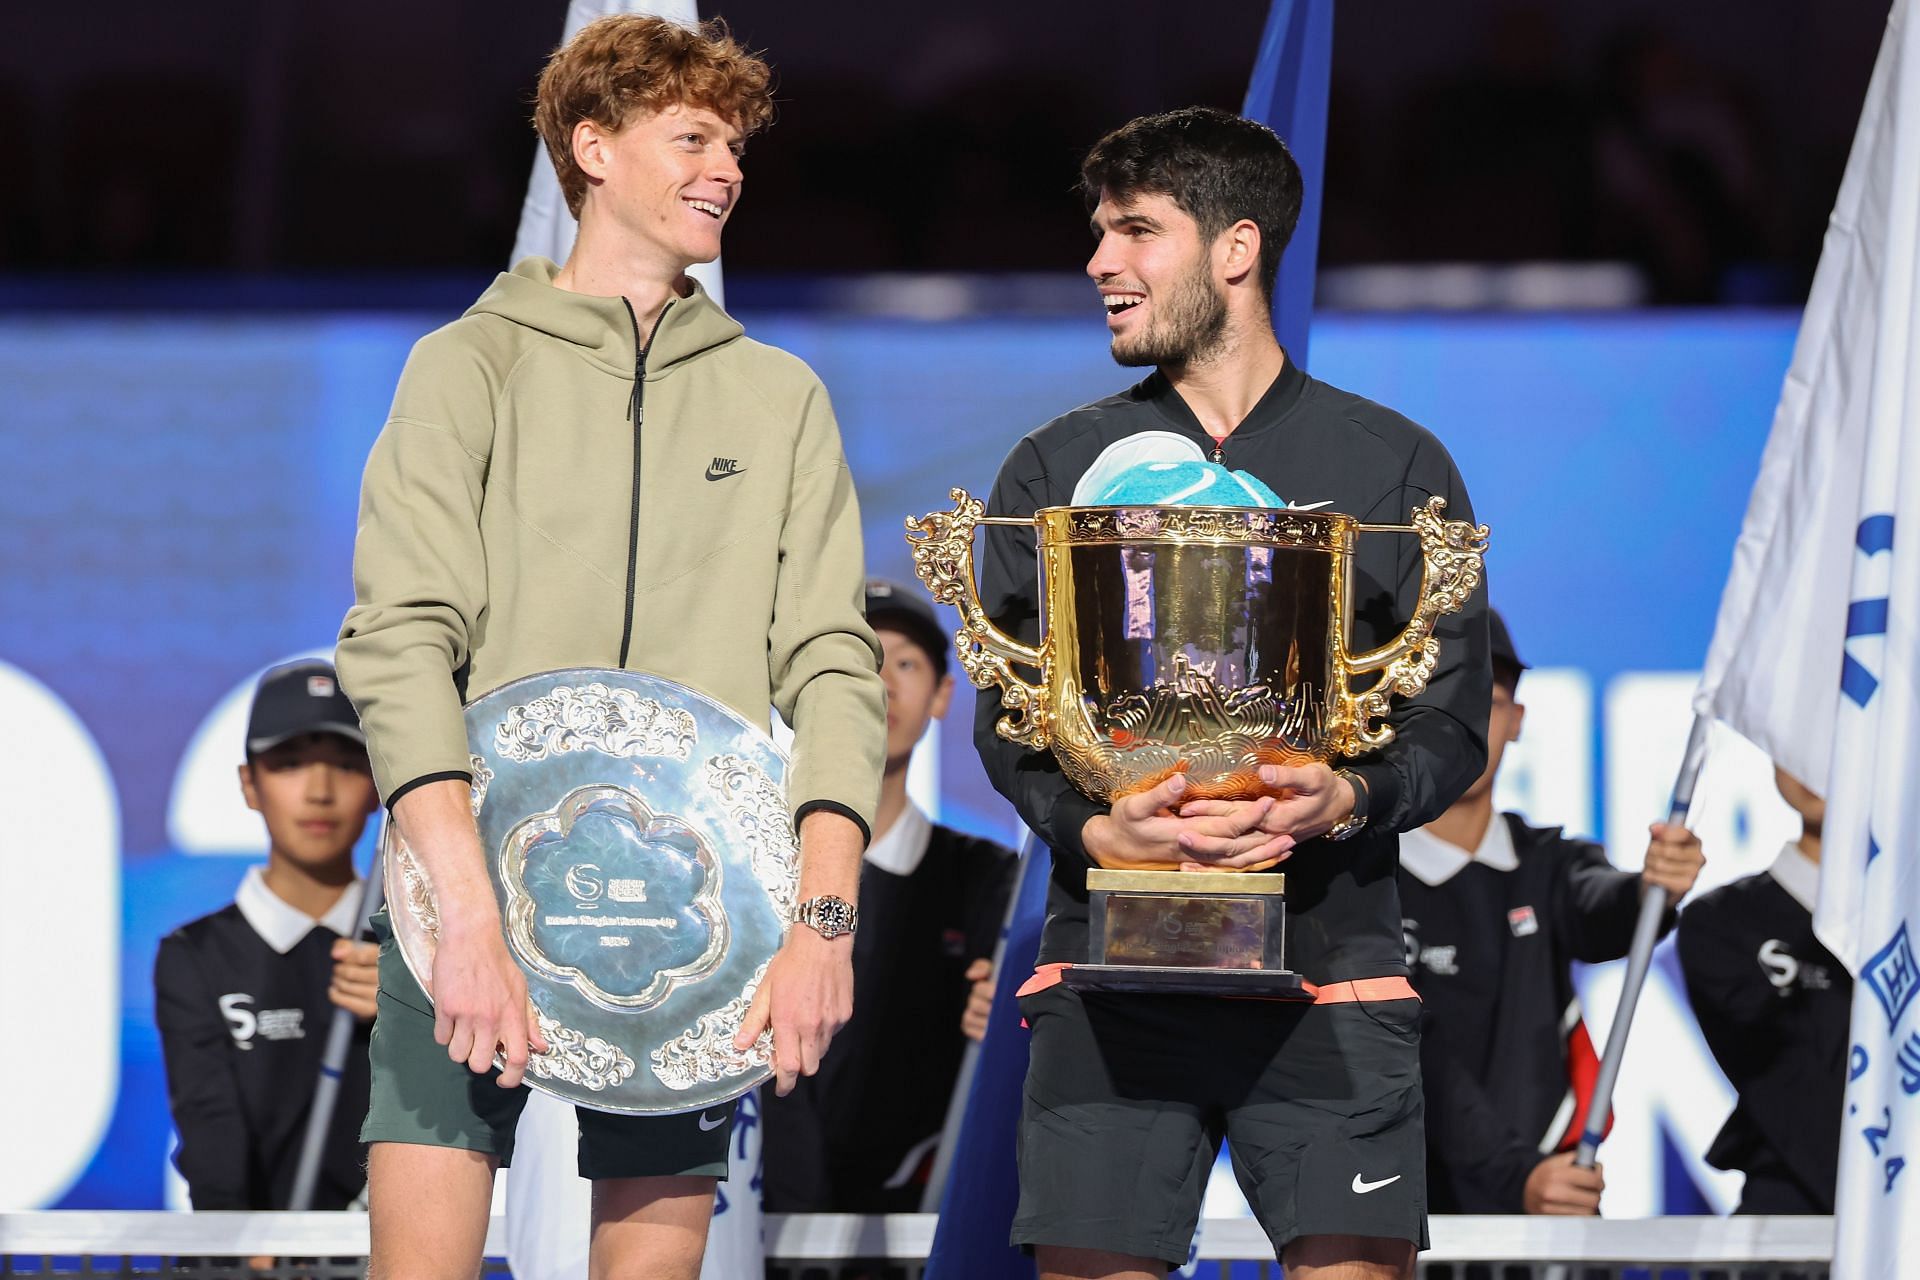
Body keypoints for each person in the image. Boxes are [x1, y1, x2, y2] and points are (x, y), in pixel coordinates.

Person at [334, 16, 886, 1280]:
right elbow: (402, 638)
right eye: (693, 137)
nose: (727, 168)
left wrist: (822, 921)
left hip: (698, 908)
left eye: (737, 144)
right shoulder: (465, 366)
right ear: (592, 148)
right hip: (455, 888)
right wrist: (467, 913)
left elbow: (833, 666)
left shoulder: (779, 395)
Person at [975, 106, 1491, 1280]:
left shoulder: (1394, 464)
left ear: (1236, 248)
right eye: (1101, 233)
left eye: (1136, 232)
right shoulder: (1056, 470)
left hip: (1332, 968)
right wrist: (1096, 820)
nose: (1100, 263)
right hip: (1113, 969)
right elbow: (1009, 723)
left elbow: (1450, 719)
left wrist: (1342, 797)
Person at [1397, 610, 1704, 1215]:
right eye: (1437, 698)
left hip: (1540, 1219)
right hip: (1392, 1221)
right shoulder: (1359, 882)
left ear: (1516, 721)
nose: (1461, 723)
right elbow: (1411, 1060)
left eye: (1484, 700)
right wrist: (1517, 1177)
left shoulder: (1550, 866)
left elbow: (1605, 906)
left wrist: (1651, 888)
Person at [763, 579, 1018, 1213]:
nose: (883, 684)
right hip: (751, 1206)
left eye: (906, 663)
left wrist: (1007, 1012)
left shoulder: (987, 876)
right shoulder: (756, 866)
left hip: (917, 1214)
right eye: (864, 661)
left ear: (942, 695)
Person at [154, 659, 382, 1213]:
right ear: (249, 784)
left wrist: (413, 1021)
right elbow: (211, 1137)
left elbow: (485, 1115)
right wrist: (237, 1255)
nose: (320, 791)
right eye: (291, 763)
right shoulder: (196, 955)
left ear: (380, 787)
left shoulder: (418, 952)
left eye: (348, 765)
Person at [1679, 769, 1849, 1213]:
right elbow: (1785, 1082)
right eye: (1797, 730)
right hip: (1793, 1216)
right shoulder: (1722, 921)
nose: (1817, 755)